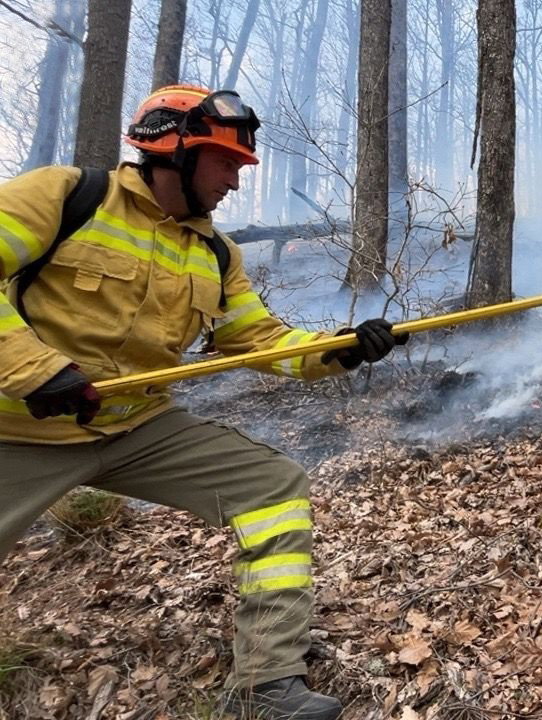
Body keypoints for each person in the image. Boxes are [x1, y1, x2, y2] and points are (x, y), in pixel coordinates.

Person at [0, 84, 400, 719]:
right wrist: (36, 370)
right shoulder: (65, 195)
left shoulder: (216, 253)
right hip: (19, 432)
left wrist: (342, 349)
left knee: (271, 487)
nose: (236, 183)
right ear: (173, 151)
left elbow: (261, 341)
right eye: (226, 163)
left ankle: (266, 686)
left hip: (138, 428)